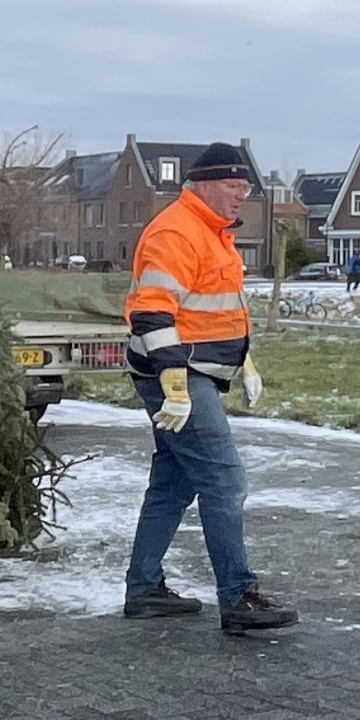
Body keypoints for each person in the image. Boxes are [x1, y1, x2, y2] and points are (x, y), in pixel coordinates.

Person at [120, 143, 298, 634]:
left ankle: (144, 588)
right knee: (224, 480)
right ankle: (238, 597)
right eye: (234, 186)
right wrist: (174, 384)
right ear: (203, 185)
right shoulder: (177, 231)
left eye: (246, 188)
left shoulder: (211, 232)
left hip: (191, 371)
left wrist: (244, 362)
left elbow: (216, 310)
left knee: (173, 484)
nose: (243, 196)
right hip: (178, 375)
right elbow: (153, 313)